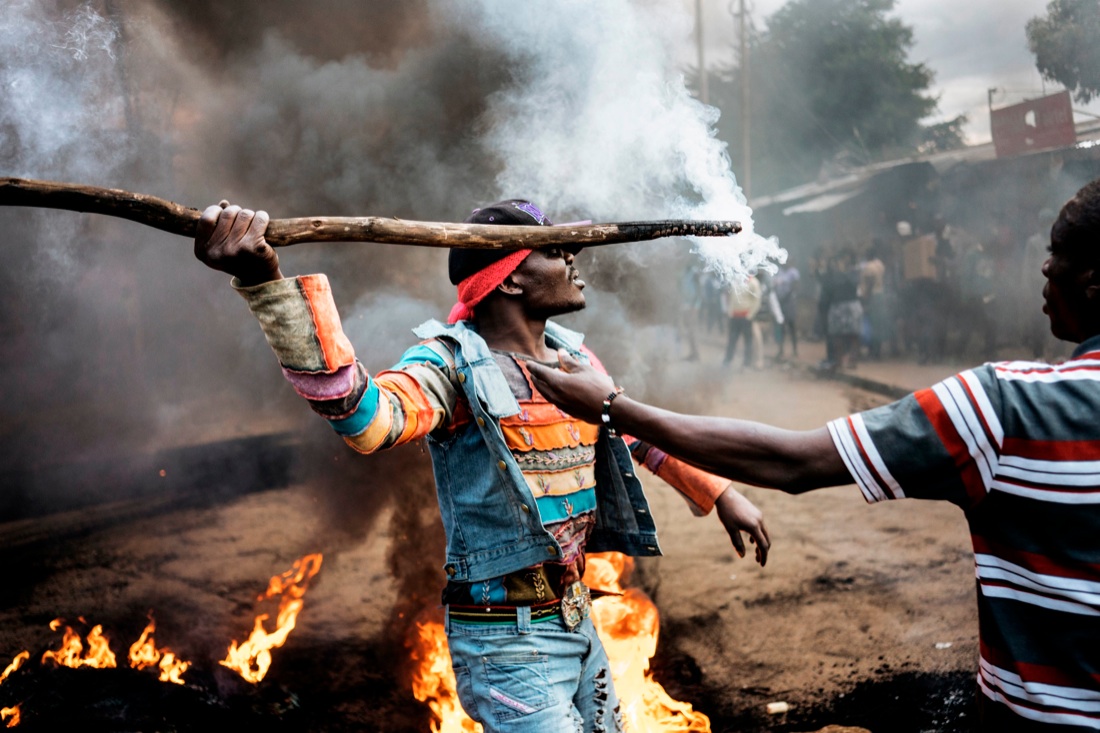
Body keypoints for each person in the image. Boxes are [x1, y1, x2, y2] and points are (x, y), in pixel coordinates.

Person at [527, 179, 1100, 732]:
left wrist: (614, 407)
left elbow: (793, 461)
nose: (1045, 266)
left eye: (1059, 253)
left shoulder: (1005, 406)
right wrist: (716, 488)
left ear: (1094, 282)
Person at [194, 198, 770, 733]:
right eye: (553, 248)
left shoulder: (575, 360)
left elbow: (636, 433)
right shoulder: (449, 367)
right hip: (507, 644)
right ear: (510, 276)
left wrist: (720, 494)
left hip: (576, 620)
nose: (572, 257)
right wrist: (265, 281)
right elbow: (366, 419)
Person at [722, 273, 762, 368]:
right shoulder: (735, 281)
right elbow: (732, 298)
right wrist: (730, 312)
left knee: (748, 340)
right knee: (732, 339)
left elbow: (757, 301)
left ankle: (747, 362)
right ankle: (728, 360)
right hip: (735, 316)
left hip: (746, 317)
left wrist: (750, 315)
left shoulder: (753, 282)